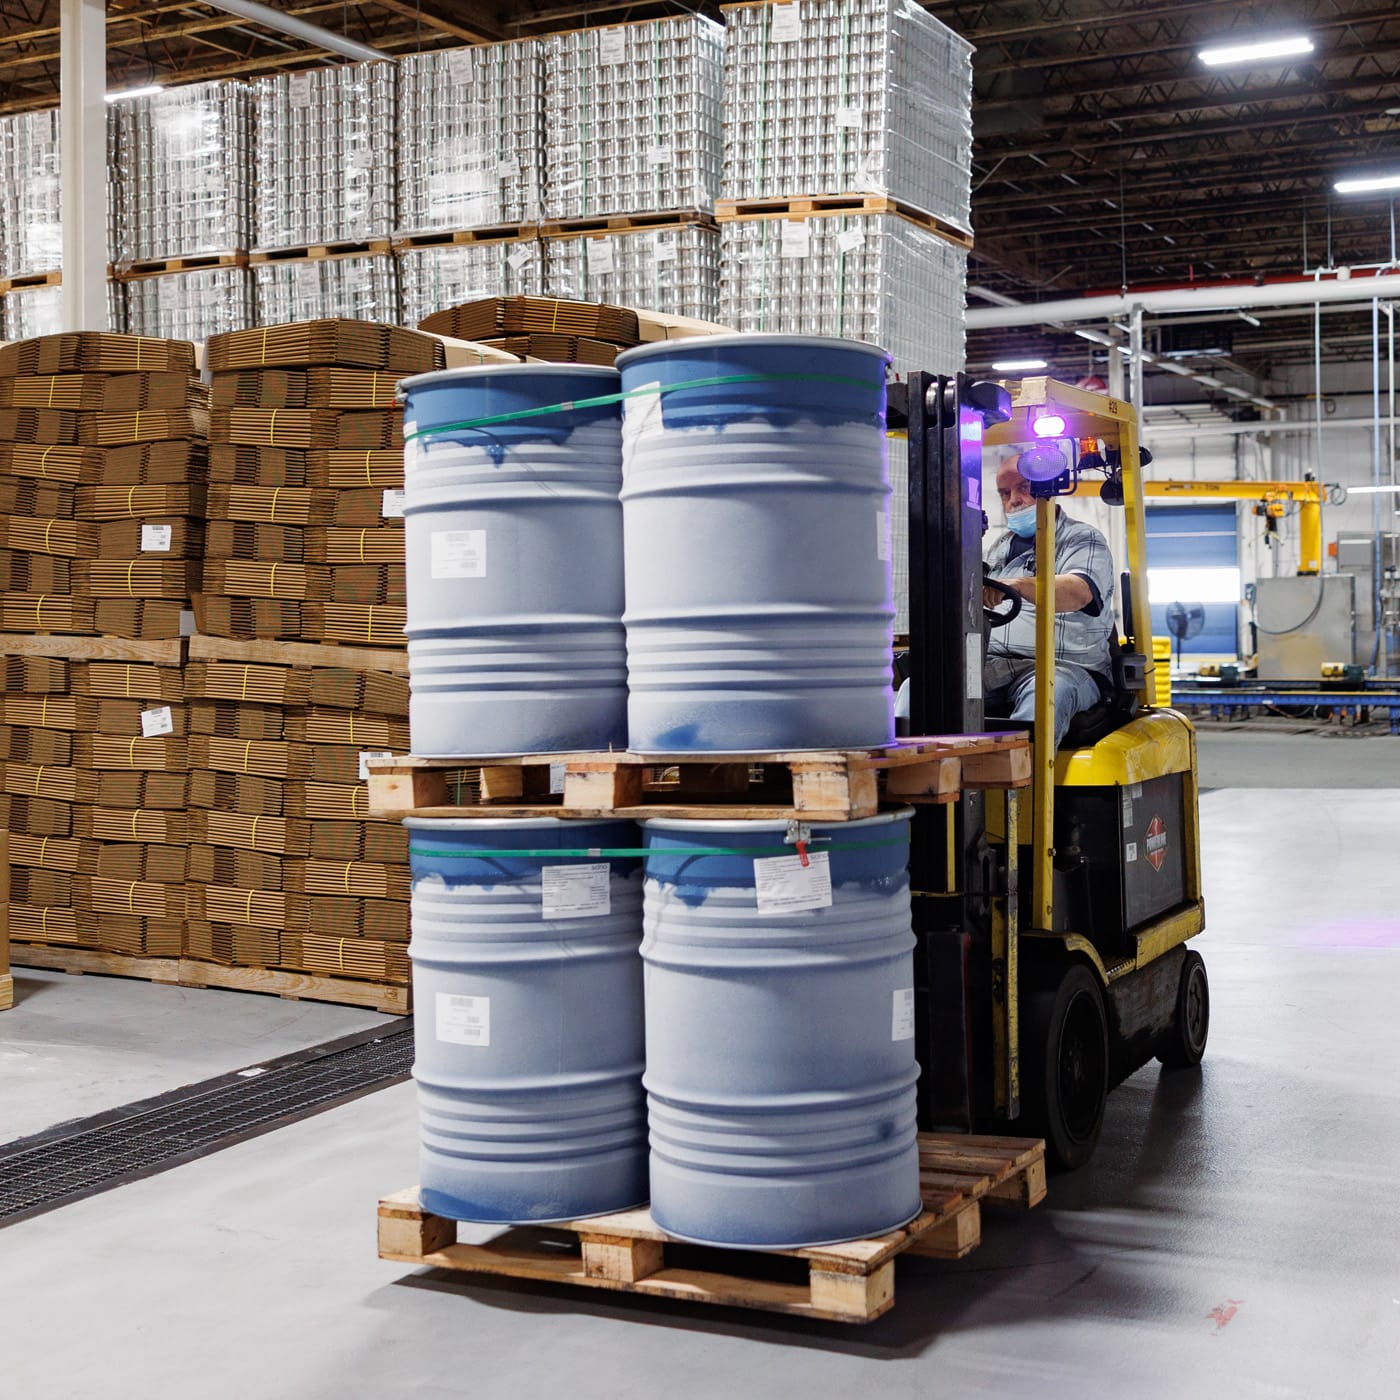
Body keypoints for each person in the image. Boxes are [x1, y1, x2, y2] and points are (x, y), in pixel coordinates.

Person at [896, 448, 1116, 748]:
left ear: (1046, 487)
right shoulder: (1000, 546)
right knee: (918, 688)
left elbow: (1078, 592)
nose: (1013, 500)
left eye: (1023, 488)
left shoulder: (1081, 538)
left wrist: (1015, 584)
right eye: (1004, 493)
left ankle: (1022, 789)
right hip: (996, 664)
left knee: (1046, 694)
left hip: (1064, 667)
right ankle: (919, 781)